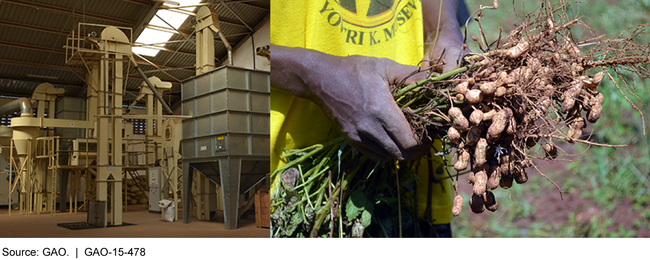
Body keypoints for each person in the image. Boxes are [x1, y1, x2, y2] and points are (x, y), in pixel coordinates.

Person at [271, 0, 469, 237]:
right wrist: (313, 75)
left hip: (417, 188)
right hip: (299, 194)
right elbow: (222, 41)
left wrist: (441, 28)